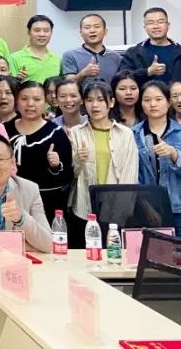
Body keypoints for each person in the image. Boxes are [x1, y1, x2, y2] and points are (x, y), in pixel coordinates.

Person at [67, 80, 139, 248]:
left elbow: (130, 174)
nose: (95, 105)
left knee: (112, 254)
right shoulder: (76, 133)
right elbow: (71, 175)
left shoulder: (125, 134)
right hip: (83, 205)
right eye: (90, 100)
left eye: (100, 100)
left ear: (111, 102)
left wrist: (121, 210)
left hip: (115, 207)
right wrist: (78, 159)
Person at [133, 81, 181, 239]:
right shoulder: (133, 134)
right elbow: (131, 176)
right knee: (150, 253)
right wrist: (145, 206)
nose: (153, 104)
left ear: (169, 102)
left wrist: (174, 153)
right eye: (147, 100)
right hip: (146, 208)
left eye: (158, 99)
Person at [4, 81, 73, 224]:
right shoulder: (4, 130)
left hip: (47, 204)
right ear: (17, 101)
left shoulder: (56, 133)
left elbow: (68, 175)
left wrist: (56, 165)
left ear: (45, 102)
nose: (30, 104)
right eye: (24, 99)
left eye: (36, 99)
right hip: (10, 201)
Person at [121, 8, 181, 86]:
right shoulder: (133, 53)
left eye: (160, 22)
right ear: (145, 27)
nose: (156, 26)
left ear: (168, 25)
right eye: (151, 23)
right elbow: (122, 79)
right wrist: (147, 72)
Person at [61, 13, 123, 85]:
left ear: (105, 31)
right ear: (81, 33)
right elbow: (67, 84)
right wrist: (83, 74)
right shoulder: (70, 55)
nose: (92, 30)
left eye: (97, 27)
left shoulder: (116, 57)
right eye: (87, 27)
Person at [8, 15, 61, 84]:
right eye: (37, 30)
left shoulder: (58, 59)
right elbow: (10, 86)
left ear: (51, 33)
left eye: (46, 31)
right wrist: (17, 80)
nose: (42, 34)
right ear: (28, 32)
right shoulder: (14, 58)